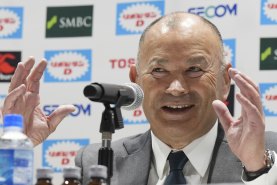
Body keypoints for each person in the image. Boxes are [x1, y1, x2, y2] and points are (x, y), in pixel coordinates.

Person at [2, 12, 277, 185]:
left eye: (194, 69)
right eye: (158, 71)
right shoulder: (95, 162)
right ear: (136, 80)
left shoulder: (268, 154)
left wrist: (257, 170)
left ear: (224, 82)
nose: (177, 88)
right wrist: (14, 150)